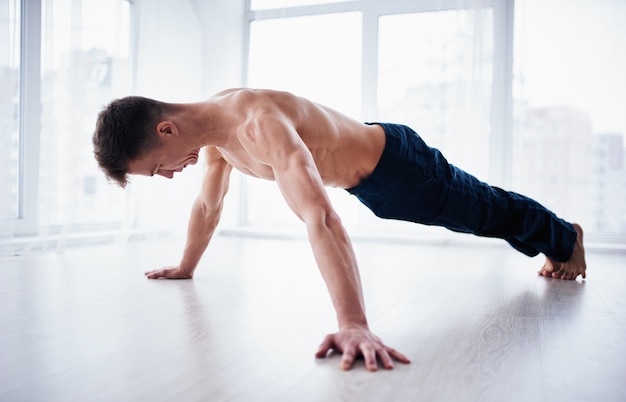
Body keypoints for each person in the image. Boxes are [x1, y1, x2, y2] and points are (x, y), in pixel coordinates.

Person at [92, 88, 587, 371]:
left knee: (484, 211)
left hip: (401, 169)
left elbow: (320, 216)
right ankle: (556, 238)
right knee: (480, 215)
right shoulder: (214, 137)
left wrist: (353, 323)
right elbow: (208, 204)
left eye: (156, 168)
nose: (167, 176)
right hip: (372, 185)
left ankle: (565, 236)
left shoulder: (255, 121)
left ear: (165, 130)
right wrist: (185, 266)